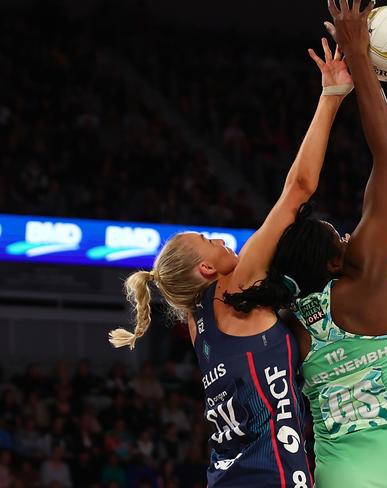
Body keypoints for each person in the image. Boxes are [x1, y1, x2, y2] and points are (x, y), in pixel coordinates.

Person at [224, 1, 387, 486]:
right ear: (333, 261)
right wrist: (357, 55)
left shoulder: (285, 324)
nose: (350, 235)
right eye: (341, 236)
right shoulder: (366, 284)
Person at [109, 37, 354, 487]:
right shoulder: (235, 284)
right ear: (205, 270)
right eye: (205, 240)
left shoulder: (197, 317)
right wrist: (331, 96)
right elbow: (298, 189)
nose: (218, 238)